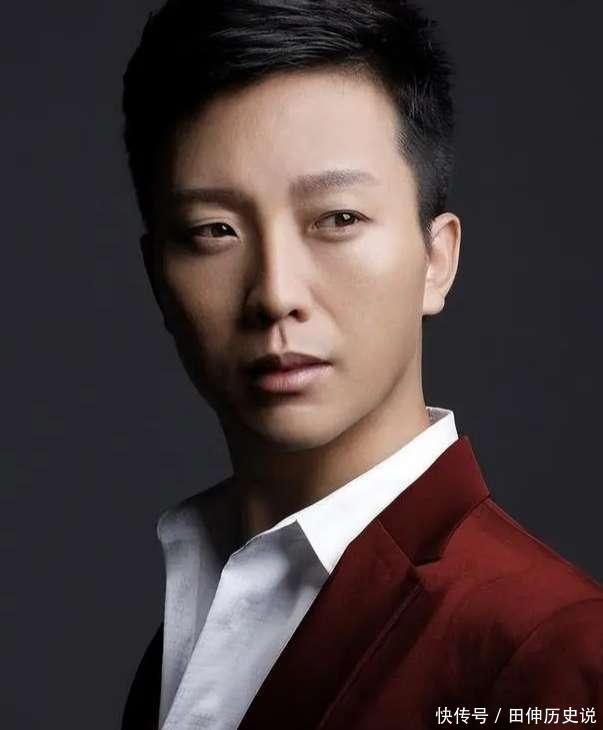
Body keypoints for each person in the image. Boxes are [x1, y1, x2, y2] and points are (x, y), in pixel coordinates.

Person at [120, 1, 603, 728]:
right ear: (159, 279)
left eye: (338, 219)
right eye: (213, 231)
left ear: (436, 260)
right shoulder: (193, 626)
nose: (276, 294)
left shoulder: (548, 649)